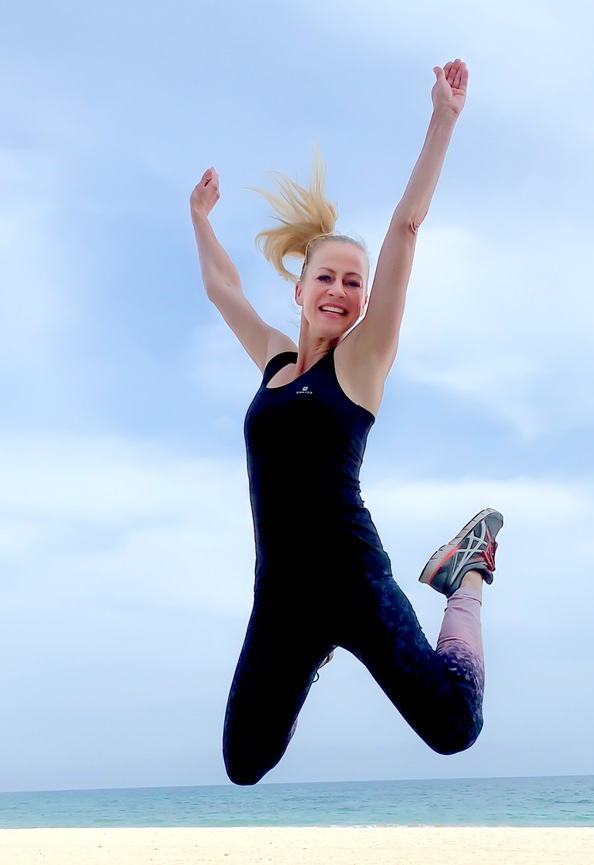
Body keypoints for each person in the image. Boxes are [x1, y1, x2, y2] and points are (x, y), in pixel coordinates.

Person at [189, 59, 503, 786]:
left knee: (455, 727)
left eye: (353, 282)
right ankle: (310, 659)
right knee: (245, 762)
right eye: (325, 277)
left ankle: (466, 573)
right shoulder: (273, 363)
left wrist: (443, 121)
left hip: (356, 581)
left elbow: (407, 225)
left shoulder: (361, 363)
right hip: (281, 596)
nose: (339, 289)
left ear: (363, 302)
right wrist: (201, 219)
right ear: (299, 290)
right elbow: (221, 288)